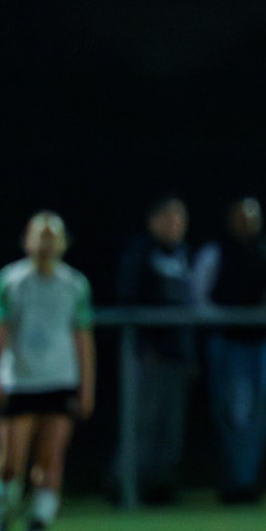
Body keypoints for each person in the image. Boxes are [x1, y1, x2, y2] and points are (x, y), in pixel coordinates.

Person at [0, 212, 96, 531]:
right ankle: (5, 507)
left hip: (60, 379)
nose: (47, 244)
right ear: (27, 241)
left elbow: (83, 337)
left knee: (50, 459)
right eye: (40, 236)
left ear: (64, 243)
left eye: (53, 237)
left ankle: (38, 527)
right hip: (20, 380)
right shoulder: (10, 280)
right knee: (11, 463)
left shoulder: (75, 284)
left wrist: (87, 386)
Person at [194, 198, 266, 505]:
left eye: (252, 217)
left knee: (257, 414)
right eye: (241, 217)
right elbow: (199, 298)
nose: (246, 223)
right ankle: (232, 482)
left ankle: (248, 482)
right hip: (226, 342)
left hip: (260, 344)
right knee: (229, 412)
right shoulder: (214, 253)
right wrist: (228, 318)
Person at [115, 196, 195, 506]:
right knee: (142, 424)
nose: (175, 226)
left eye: (180, 220)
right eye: (168, 219)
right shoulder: (140, 252)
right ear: (153, 222)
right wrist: (145, 344)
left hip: (178, 355)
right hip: (148, 354)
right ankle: (125, 485)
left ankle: (160, 487)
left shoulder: (184, 255)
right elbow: (128, 297)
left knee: (170, 428)